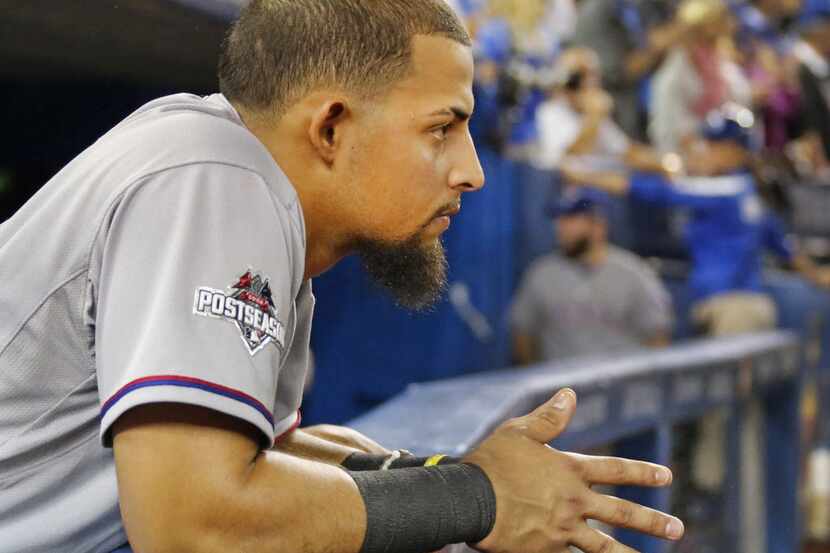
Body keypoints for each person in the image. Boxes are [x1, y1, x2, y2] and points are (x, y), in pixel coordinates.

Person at [0, 2, 685, 553]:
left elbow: (260, 451)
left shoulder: (240, 187)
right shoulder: (215, 178)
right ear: (331, 127)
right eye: (443, 128)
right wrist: (479, 499)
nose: (472, 169)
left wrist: (436, 476)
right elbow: (193, 523)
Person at [510, 188, 673, 365]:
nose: (560, 227)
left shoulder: (634, 273)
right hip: (559, 385)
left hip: (620, 385)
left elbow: (658, 337)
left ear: (598, 225)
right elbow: (522, 335)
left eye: (570, 219)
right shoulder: (541, 273)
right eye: (559, 219)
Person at [535, 46, 671, 173]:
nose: (589, 83)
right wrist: (593, 117)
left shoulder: (594, 112)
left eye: (593, 74)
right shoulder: (550, 112)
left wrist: (666, 162)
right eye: (579, 76)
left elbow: (627, 152)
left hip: (604, 190)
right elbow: (569, 158)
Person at [574, 0, 688, 141]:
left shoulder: (634, 5)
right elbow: (619, 72)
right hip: (615, 117)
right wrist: (660, 45)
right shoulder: (596, 14)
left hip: (642, 110)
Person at [649, 0, 752, 153]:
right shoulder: (673, 75)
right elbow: (666, 132)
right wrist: (703, 151)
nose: (711, 44)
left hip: (728, 153)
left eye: (716, 38)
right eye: (705, 37)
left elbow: (742, 102)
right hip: (687, 160)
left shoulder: (723, 64)